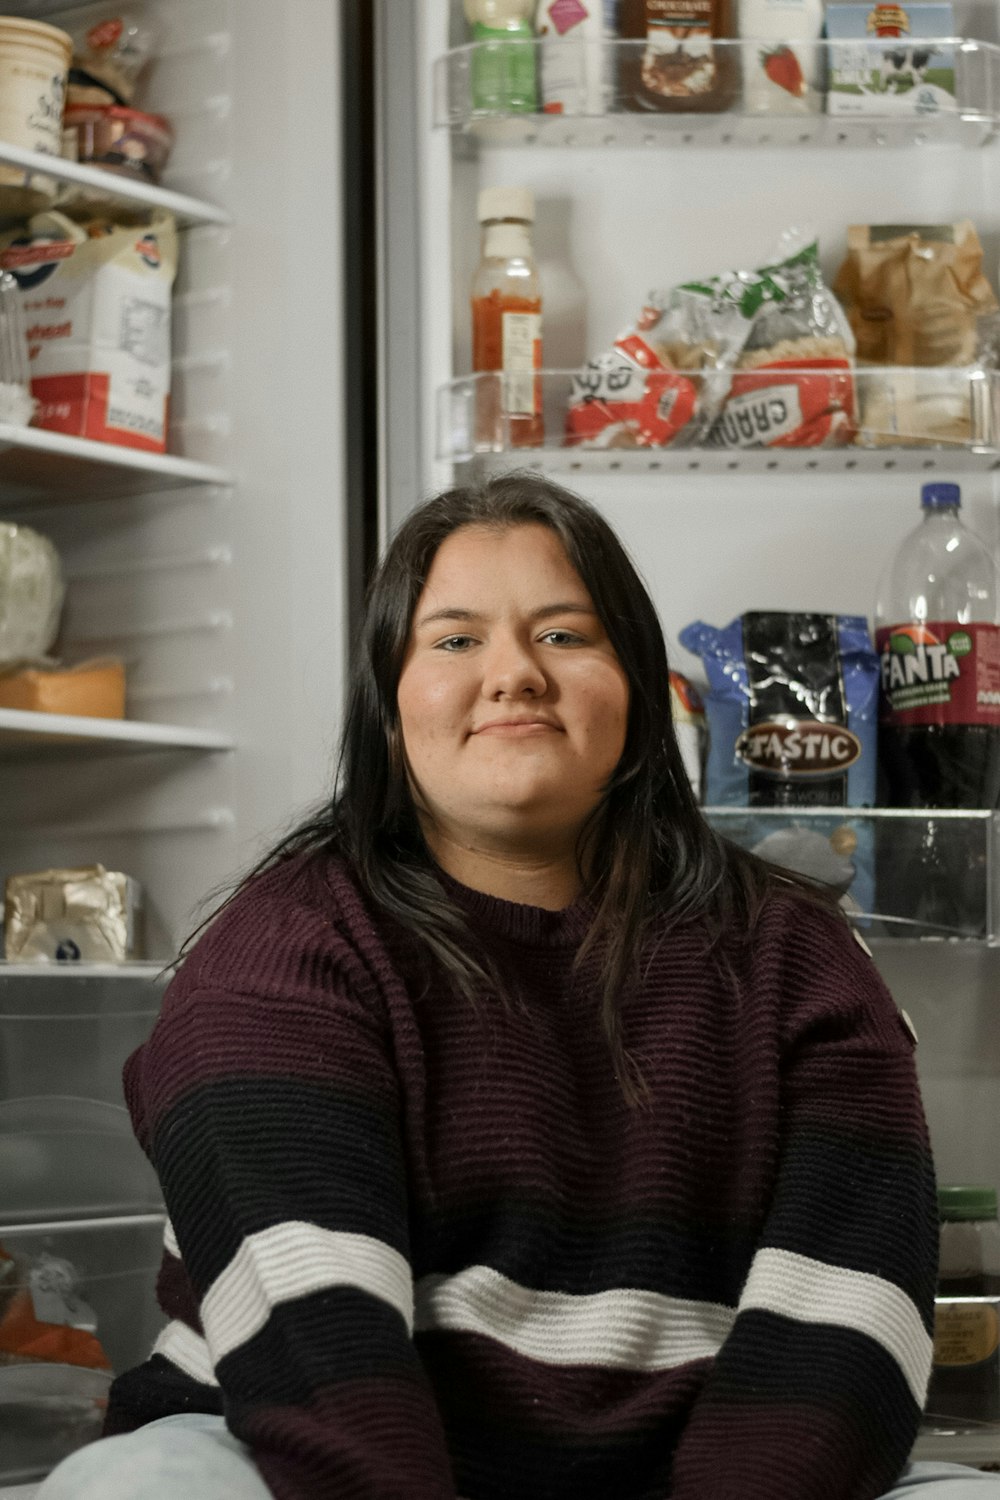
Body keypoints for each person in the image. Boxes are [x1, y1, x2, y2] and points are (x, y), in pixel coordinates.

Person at [37, 475, 1000, 1500]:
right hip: (296, 1458)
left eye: (565, 636)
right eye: (453, 641)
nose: (514, 675)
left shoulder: (795, 953)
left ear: (634, 687)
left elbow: (842, 1331)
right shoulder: (281, 950)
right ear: (389, 703)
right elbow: (318, 1348)